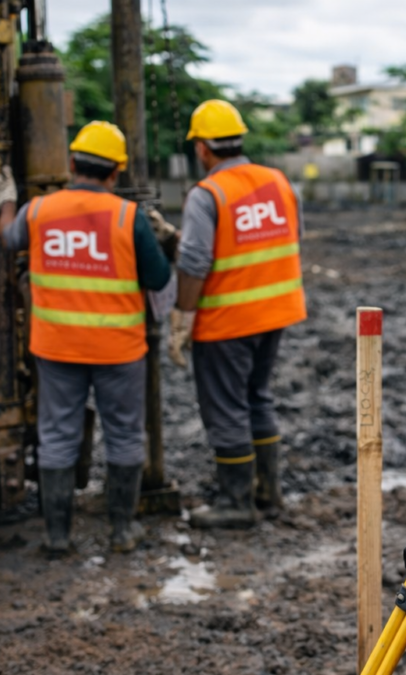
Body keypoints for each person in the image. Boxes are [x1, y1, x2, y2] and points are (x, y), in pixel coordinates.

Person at [0, 121, 172, 554]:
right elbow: (159, 276)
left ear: (72, 164)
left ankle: (57, 536)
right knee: (125, 435)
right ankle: (122, 531)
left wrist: (6, 200)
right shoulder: (129, 217)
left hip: (56, 347)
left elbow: (9, 239)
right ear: (116, 173)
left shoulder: (37, 211)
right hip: (118, 350)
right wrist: (161, 242)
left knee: (57, 435)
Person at [169, 99, 306, 529]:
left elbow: (194, 263)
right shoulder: (278, 181)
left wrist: (181, 319)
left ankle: (235, 502)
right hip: (274, 313)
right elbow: (281, 238)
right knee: (257, 398)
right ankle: (268, 495)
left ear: (203, 149)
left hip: (226, 322)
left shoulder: (206, 194)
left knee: (226, 408)